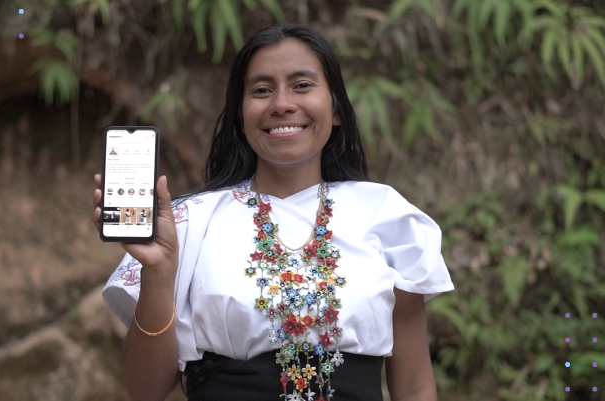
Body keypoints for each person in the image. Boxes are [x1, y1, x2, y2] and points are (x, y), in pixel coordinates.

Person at [93, 24, 453, 401]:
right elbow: (143, 391)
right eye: (262, 90)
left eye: (302, 85)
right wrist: (159, 272)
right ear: (240, 115)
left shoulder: (387, 215)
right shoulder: (187, 222)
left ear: (336, 110)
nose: (281, 103)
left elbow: (414, 387)